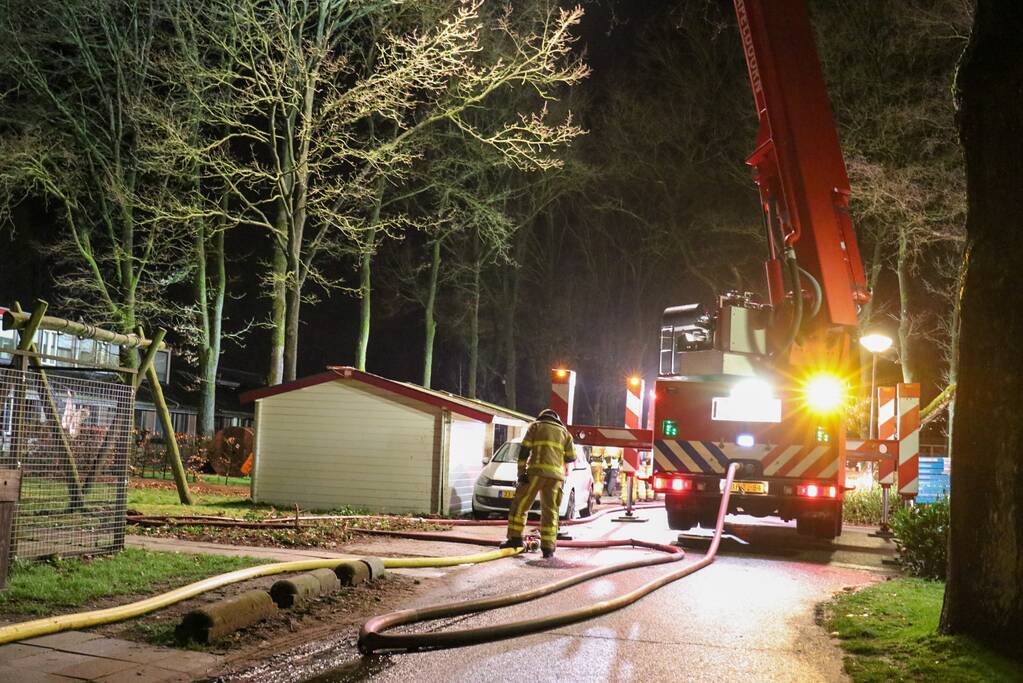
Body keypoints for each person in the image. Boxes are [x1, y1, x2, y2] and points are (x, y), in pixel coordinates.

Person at [501, 408, 575, 559]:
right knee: (551, 512)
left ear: (541, 417)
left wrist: (521, 473)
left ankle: (515, 539)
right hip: (555, 478)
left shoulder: (535, 427)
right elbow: (571, 456)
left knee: (520, 505)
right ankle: (548, 549)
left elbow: (524, 451)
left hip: (535, 473)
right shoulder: (565, 433)